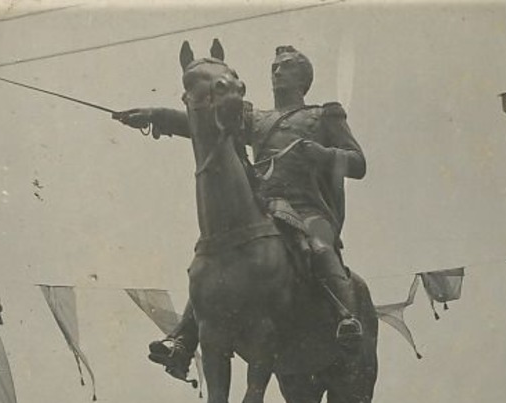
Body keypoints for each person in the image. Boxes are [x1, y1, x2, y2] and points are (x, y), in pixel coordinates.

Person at [117, 44, 367, 378]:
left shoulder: (324, 115)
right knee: (219, 259)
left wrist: (319, 152)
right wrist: (154, 115)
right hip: (267, 205)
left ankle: (346, 317)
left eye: (286, 66)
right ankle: (182, 338)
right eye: (274, 66)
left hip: (308, 207)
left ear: (303, 78)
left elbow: (358, 163)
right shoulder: (255, 119)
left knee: (320, 246)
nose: (276, 71)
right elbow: (203, 122)